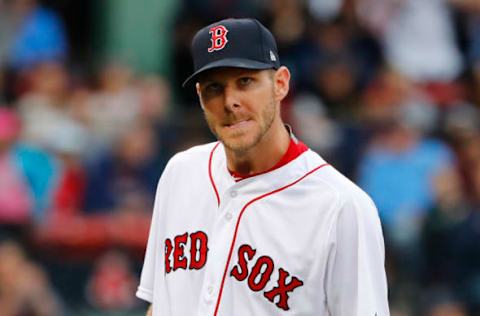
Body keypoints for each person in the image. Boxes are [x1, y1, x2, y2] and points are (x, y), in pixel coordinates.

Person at [136, 18, 389, 315]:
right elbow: (160, 304)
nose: (230, 101)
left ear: (280, 83)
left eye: (245, 81)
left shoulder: (342, 207)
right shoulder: (180, 173)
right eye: (214, 88)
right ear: (200, 97)